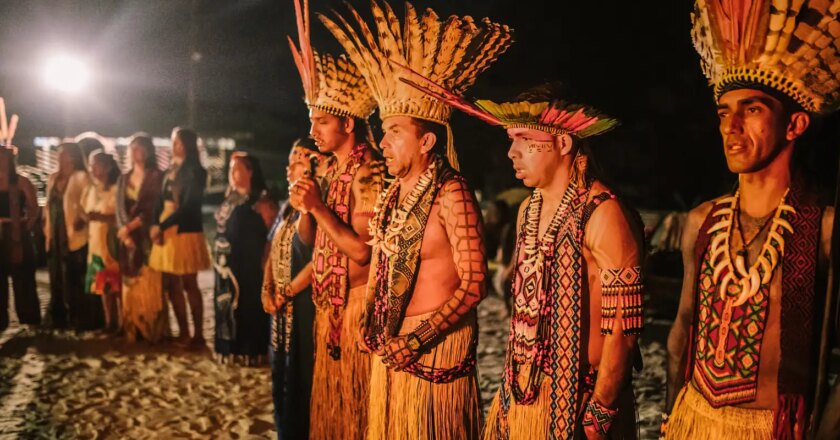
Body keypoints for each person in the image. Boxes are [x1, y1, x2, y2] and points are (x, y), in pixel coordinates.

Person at [323, 2, 513, 439]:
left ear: (426, 140)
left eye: (395, 132)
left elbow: (474, 284)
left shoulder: (452, 192)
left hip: (434, 351)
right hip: (390, 347)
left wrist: (417, 339)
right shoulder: (392, 195)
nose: (383, 142)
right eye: (384, 130)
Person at [665, 1, 840, 438]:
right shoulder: (702, 221)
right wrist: (671, 417)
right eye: (724, 112)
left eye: (752, 109)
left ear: (795, 125)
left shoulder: (825, 228)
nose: (730, 126)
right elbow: (682, 329)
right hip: (694, 420)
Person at [286, 1, 382, 437]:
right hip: (328, 306)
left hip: (359, 308)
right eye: (312, 121)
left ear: (346, 123)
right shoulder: (328, 170)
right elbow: (311, 240)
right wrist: (307, 206)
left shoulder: (370, 172)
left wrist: (320, 208)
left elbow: (362, 252)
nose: (315, 131)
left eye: (321, 121)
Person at [261, 138, 326, 439]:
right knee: (282, 377)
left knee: (301, 380)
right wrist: (266, 286)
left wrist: (285, 292)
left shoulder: (315, 206)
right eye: (288, 163)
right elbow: (274, 247)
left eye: (296, 164)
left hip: (303, 307)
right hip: (281, 306)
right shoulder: (287, 206)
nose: (288, 170)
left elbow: (317, 258)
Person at [149, 128, 211, 347]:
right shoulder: (171, 169)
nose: (178, 146)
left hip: (184, 229)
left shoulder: (195, 170)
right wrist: (155, 225)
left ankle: (198, 335)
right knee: (172, 283)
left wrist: (163, 224)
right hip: (167, 229)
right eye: (175, 142)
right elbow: (159, 200)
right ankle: (183, 331)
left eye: (182, 143)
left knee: (188, 282)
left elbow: (188, 205)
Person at [213, 152, 274, 364]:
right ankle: (227, 348)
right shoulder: (229, 198)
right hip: (226, 262)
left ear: (250, 172)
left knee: (249, 303)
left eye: (238, 168)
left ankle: (251, 349)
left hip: (250, 263)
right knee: (226, 304)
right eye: (231, 169)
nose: (233, 173)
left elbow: (271, 232)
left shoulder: (261, 199)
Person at [116, 134, 166, 343]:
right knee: (130, 280)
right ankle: (132, 328)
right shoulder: (124, 178)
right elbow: (119, 207)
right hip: (128, 237)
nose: (135, 152)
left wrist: (135, 225)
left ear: (148, 151)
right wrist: (124, 231)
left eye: (140, 147)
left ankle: (151, 329)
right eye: (132, 148)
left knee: (149, 279)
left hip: (148, 235)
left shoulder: (156, 177)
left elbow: (155, 206)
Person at [44, 142, 96, 330]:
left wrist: (83, 219)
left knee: (75, 275)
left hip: (74, 232)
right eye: (59, 154)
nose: (60, 157)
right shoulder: (52, 178)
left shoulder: (81, 177)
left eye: (63, 154)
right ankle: (59, 316)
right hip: (56, 231)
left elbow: (90, 202)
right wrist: (47, 230)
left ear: (73, 157)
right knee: (57, 273)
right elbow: (49, 208)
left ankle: (80, 316)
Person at [80, 150, 121, 333]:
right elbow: (83, 210)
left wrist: (101, 217)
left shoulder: (117, 189)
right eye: (91, 164)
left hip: (111, 241)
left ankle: (122, 322)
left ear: (108, 166)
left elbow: (121, 217)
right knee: (103, 284)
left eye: (96, 164)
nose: (92, 169)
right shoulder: (91, 189)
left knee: (116, 284)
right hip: (95, 240)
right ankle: (109, 322)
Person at [0, 146, 41, 331]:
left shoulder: (22, 182)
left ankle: (29, 318)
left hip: (17, 233)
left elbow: (34, 208)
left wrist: (27, 226)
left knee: (23, 278)